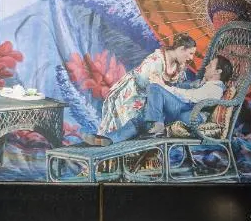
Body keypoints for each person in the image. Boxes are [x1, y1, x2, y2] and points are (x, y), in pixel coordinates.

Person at [84, 54, 233, 146]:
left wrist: (163, 87)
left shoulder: (215, 88)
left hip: (191, 115)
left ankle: (157, 124)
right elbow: (183, 90)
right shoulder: (204, 84)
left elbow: (190, 97)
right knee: (139, 121)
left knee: (154, 88)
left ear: (218, 71)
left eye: (210, 65)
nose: (206, 67)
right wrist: (168, 84)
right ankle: (107, 139)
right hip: (183, 110)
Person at [97, 33, 197, 137]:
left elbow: (176, 86)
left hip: (152, 98)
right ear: (181, 49)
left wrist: (192, 85)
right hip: (135, 93)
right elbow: (144, 83)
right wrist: (162, 87)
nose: (191, 58)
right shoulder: (156, 60)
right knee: (129, 123)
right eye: (190, 53)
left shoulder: (179, 65)